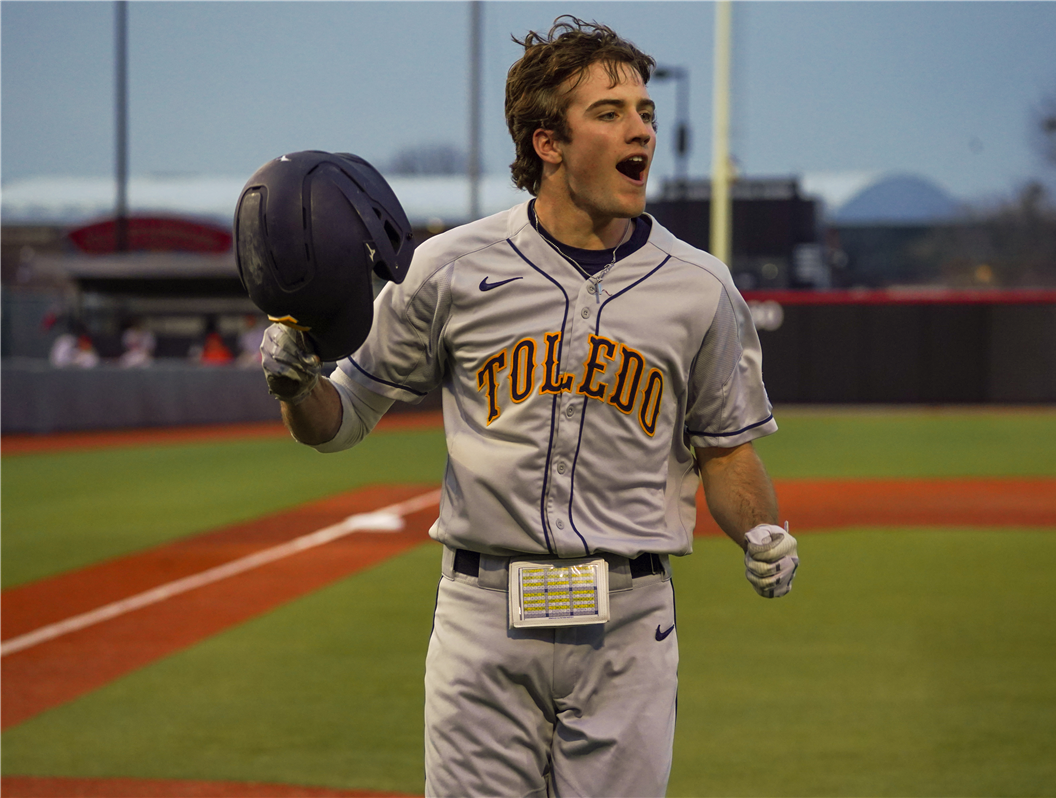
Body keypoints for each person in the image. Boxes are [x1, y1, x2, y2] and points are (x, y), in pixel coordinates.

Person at [260, 16, 798, 798]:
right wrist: (297, 385)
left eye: (645, 111)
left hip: (629, 619)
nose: (640, 128)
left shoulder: (700, 286)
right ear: (548, 143)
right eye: (609, 112)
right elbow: (341, 419)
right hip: (482, 615)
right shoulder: (447, 269)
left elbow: (725, 449)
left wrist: (762, 530)